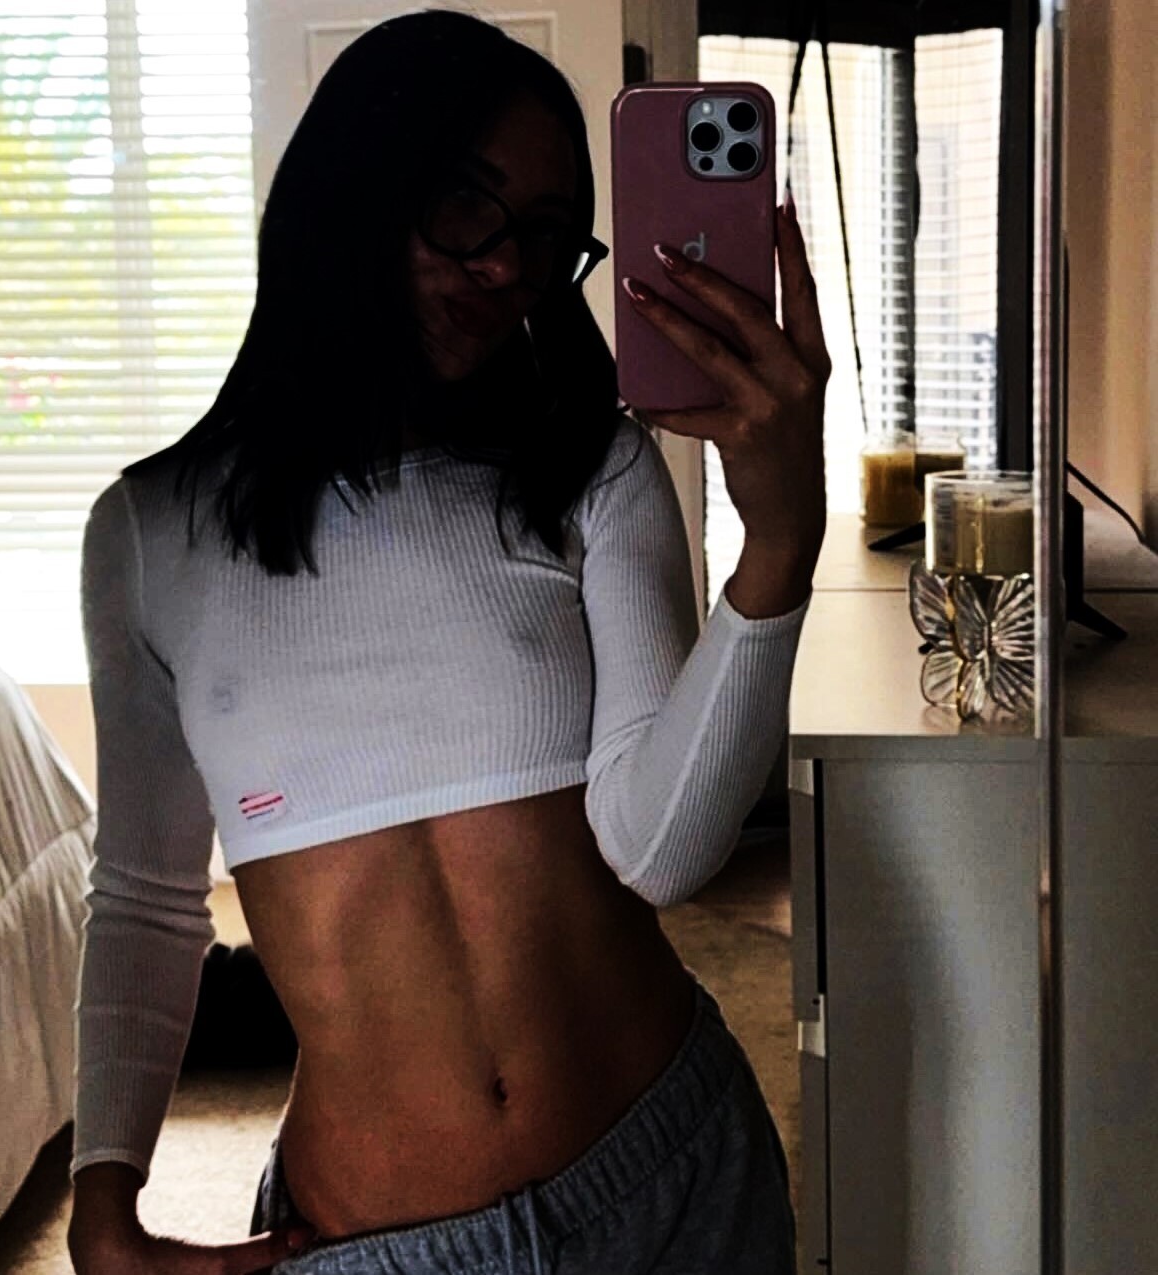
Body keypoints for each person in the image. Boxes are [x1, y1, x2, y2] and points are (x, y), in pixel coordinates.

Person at [67, 9, 829, 1275]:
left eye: (544, 232)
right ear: (350, 190)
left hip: (669, 1185)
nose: (504, 266)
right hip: (372, 1243)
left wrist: (781, 543)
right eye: (467, 203)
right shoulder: (154, 537)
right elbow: (146, 901)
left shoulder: (592, 465)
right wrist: (103, 1197)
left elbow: (662, 850)